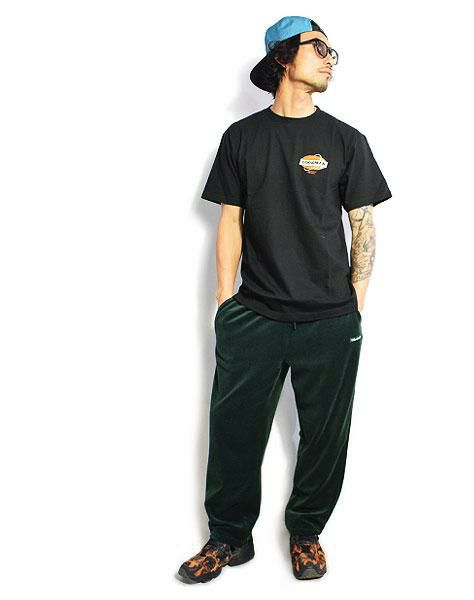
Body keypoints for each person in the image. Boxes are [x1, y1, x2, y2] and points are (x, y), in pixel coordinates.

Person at [177, 15, 392, 583]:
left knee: (325, 435)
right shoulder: (242, 138)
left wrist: (355, 307)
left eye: (332, 51)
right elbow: (230, 221)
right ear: (282, 59)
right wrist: (224, 302)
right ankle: (228, 538)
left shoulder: (346, 140)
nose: (329, 59)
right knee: (233, 431)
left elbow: (363, 224)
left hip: (330, 319)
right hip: (256, 314)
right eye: (317, 47)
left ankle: (306, 533)